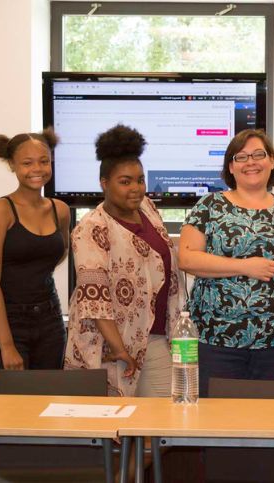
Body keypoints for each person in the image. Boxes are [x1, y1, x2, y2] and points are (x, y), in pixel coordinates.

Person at [179, 129, 274, 397]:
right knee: (216, 425)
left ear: (271, 161)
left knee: (271, 424)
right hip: (217, 339)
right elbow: (187, 258)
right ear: (231, 166)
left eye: (258, 154)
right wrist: (244, 266)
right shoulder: (209, 206)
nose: (251, 162)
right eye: (241, 157)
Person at [64, 124, 184, 397]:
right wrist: (119, 349)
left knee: (163, 424)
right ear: (104, 183)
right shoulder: (90, 229)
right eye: (125, 181)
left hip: (154, 337)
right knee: (114, 427)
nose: (136, 188)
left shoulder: (149, 209)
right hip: (109, 344)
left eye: (140, 179)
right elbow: (94, 298)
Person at [0, 128, 70, 394]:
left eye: (44, 161)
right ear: (12, 165)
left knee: (49, 405)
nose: (38, 169)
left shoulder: (60, 210)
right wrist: (6, 345)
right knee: (7, 409)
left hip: (51, 320)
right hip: (10, 321)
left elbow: (60, 251)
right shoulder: (1, 210)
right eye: (27, 162)